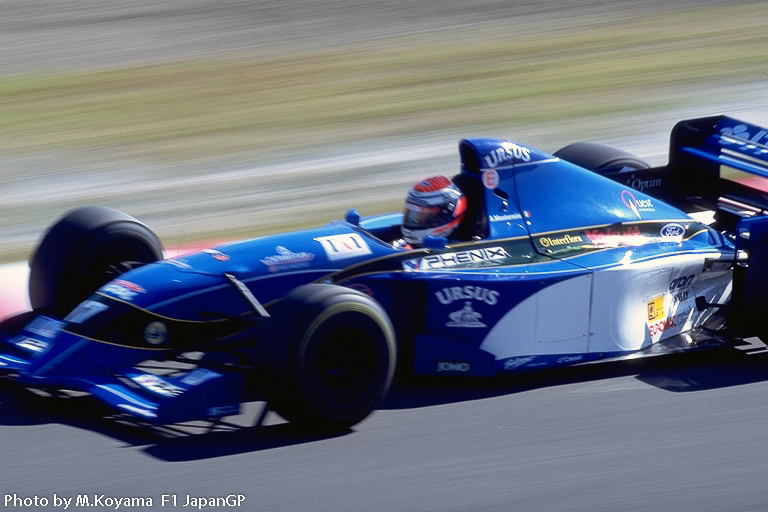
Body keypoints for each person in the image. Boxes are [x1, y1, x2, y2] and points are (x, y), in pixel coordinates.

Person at [396, 175, 467, 248]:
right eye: (411, 213)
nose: (414, 220)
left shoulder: (455, 250)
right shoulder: (405, 246)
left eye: (423, 217)